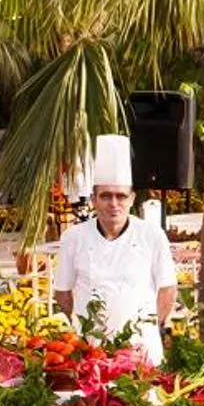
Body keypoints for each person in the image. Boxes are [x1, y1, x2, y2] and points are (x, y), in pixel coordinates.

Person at [53, 135, 178, 364]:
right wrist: (81, 327)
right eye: (106, 196)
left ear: (131, 199)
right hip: (91, 351)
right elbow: (62, 293)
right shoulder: (73, 237)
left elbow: (167, 288)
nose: (113, 203)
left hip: (141, 351)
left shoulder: (152, 235)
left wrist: (150, 329)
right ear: (93, 199)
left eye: (120, 196)